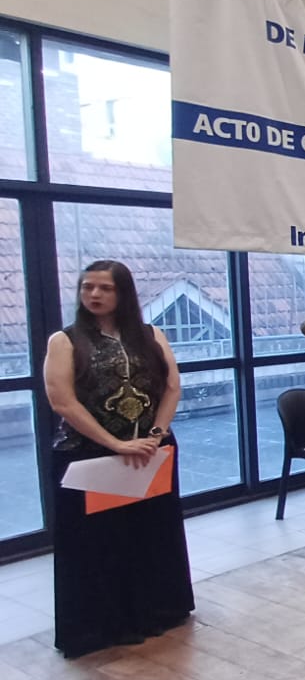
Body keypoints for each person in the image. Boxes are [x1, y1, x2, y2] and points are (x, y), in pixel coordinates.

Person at [44, 260, 192, 659]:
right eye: (87, 287)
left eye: (104, 288)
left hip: (150, 451)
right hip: (89, 455)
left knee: (149, 534)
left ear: (123, 292)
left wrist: (156, 435)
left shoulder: (151, 335)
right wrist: (115, 443)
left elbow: (172, 386)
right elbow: (62, 401)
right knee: (99, 544)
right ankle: (102, 626)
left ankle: (157, 611)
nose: (94, 294)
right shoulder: (65, 340)